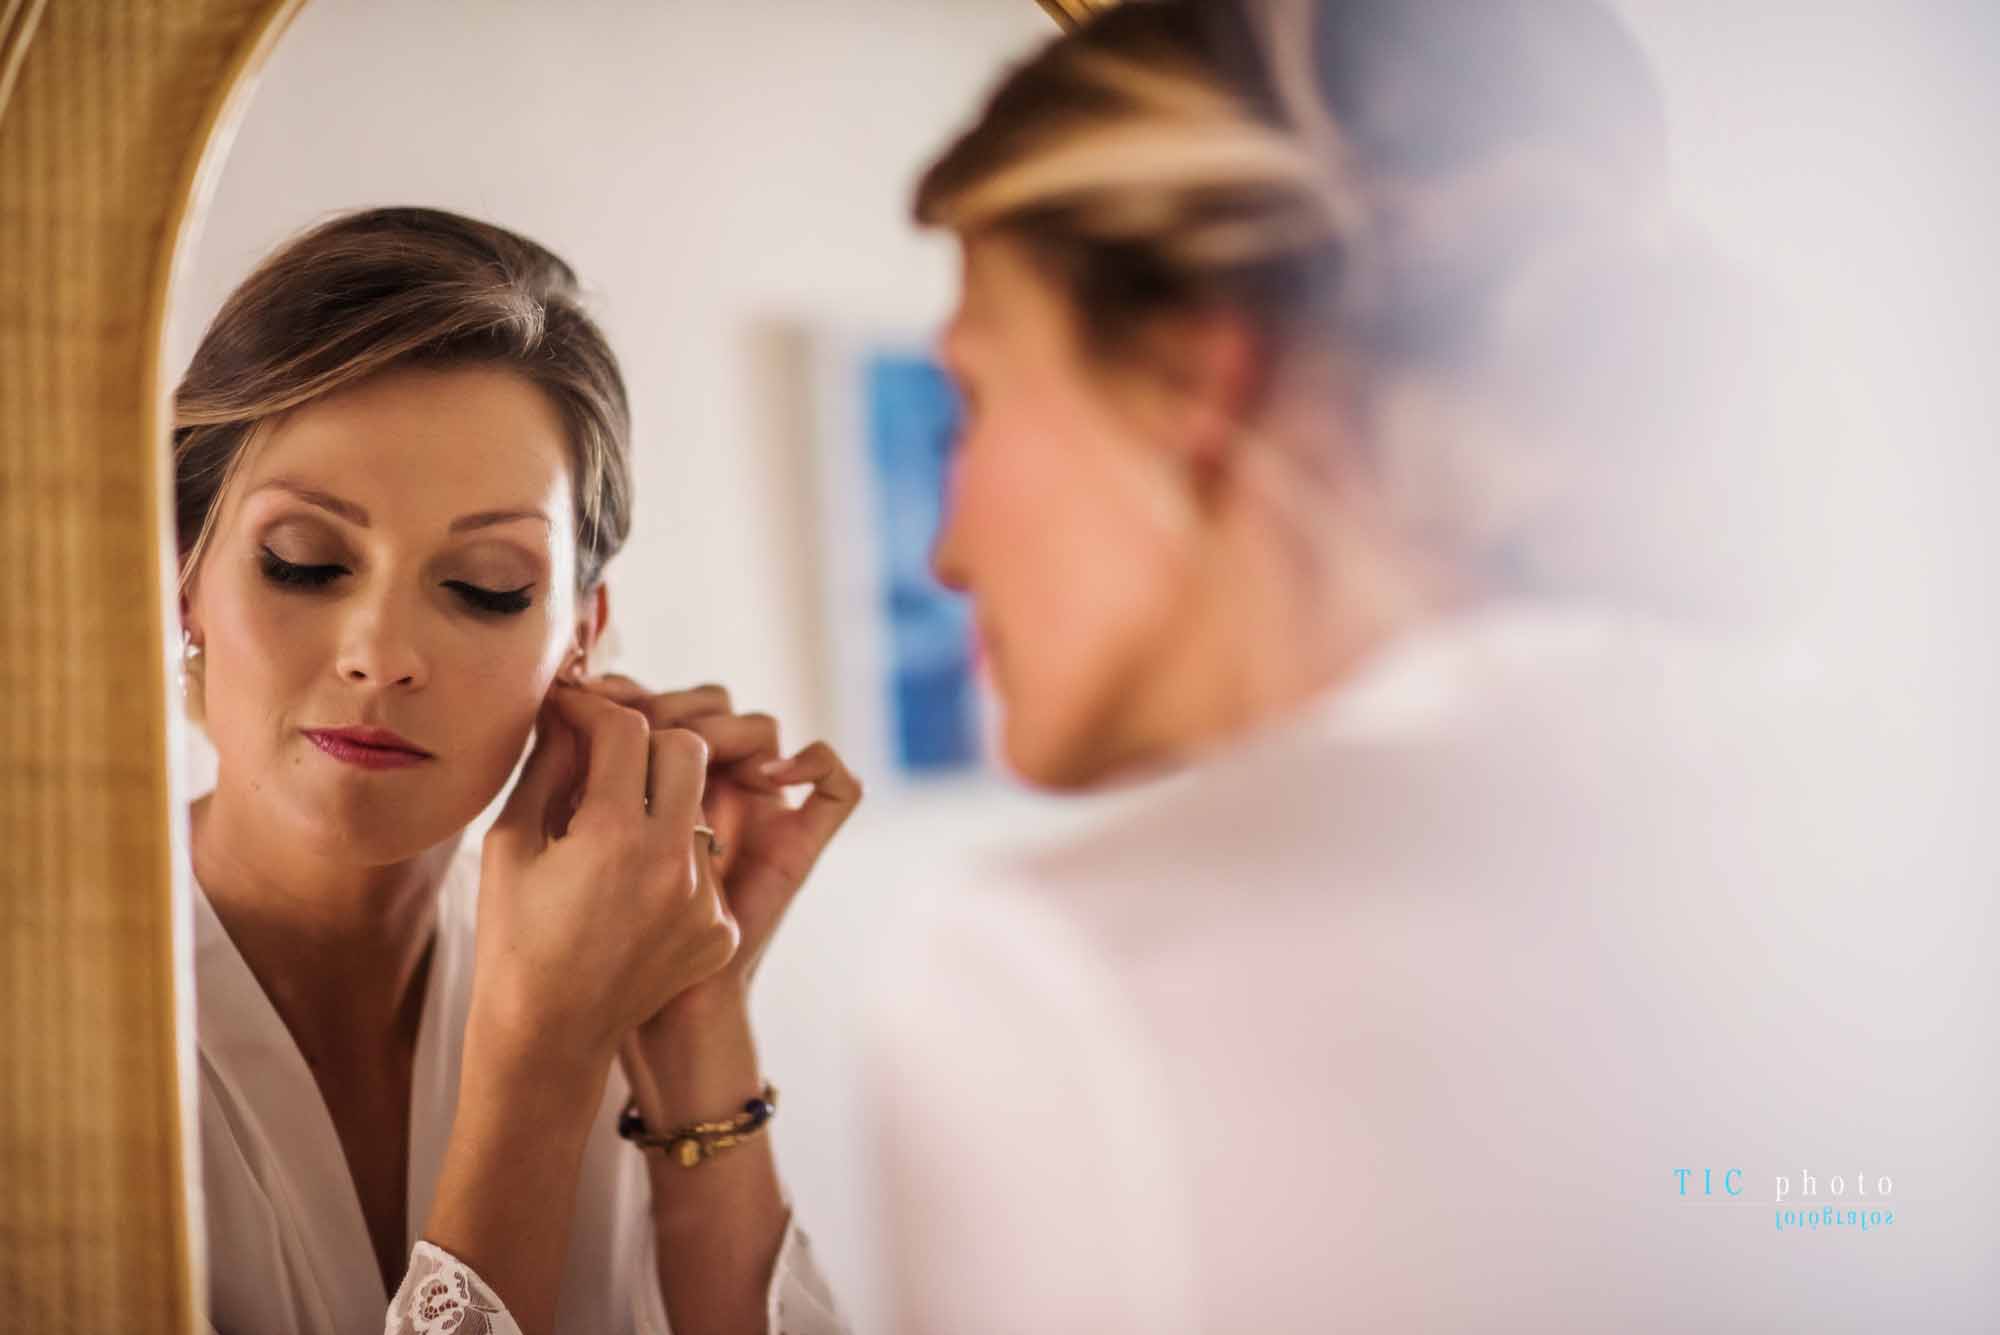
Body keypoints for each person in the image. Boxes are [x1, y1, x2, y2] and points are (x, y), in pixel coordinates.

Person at [865, 2, 1987, 1330]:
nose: (948, 547)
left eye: (974, 404)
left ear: (1190, 376)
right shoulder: (1908, 851)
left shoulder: (1057, 975)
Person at [174, 206, 856, 1335]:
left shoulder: (601, 960)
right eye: (304, 561)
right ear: (187, 581)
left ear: (580, 640)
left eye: (486, 586)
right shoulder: (51, 1019)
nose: (381, 657)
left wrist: (692, 1017)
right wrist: (537, 1066)